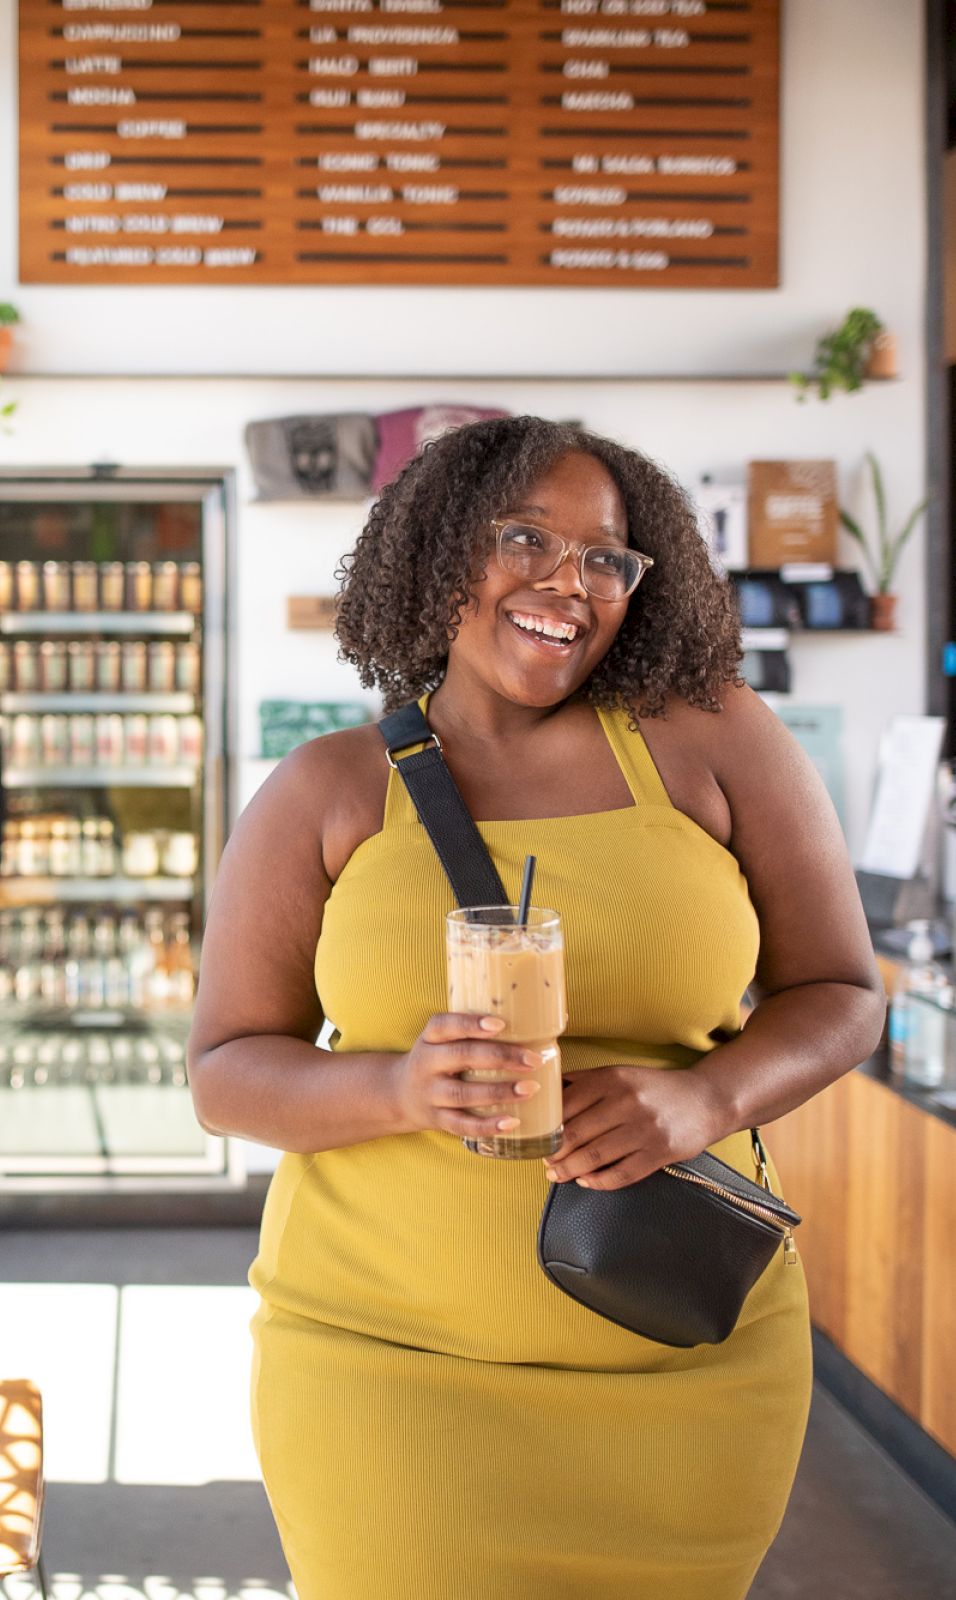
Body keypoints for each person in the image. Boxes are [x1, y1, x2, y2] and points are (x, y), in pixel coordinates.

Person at [186, 416, 887, 1600]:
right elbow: (222, 1070)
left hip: (681, 1370)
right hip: (386, 1372)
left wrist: (704, 1095)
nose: (569, 585)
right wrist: (395, 1086)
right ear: (444, 549)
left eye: (605, 558)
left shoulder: (715, 741)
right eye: (526, 538)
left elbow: (845, 995)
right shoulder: (329, 789)